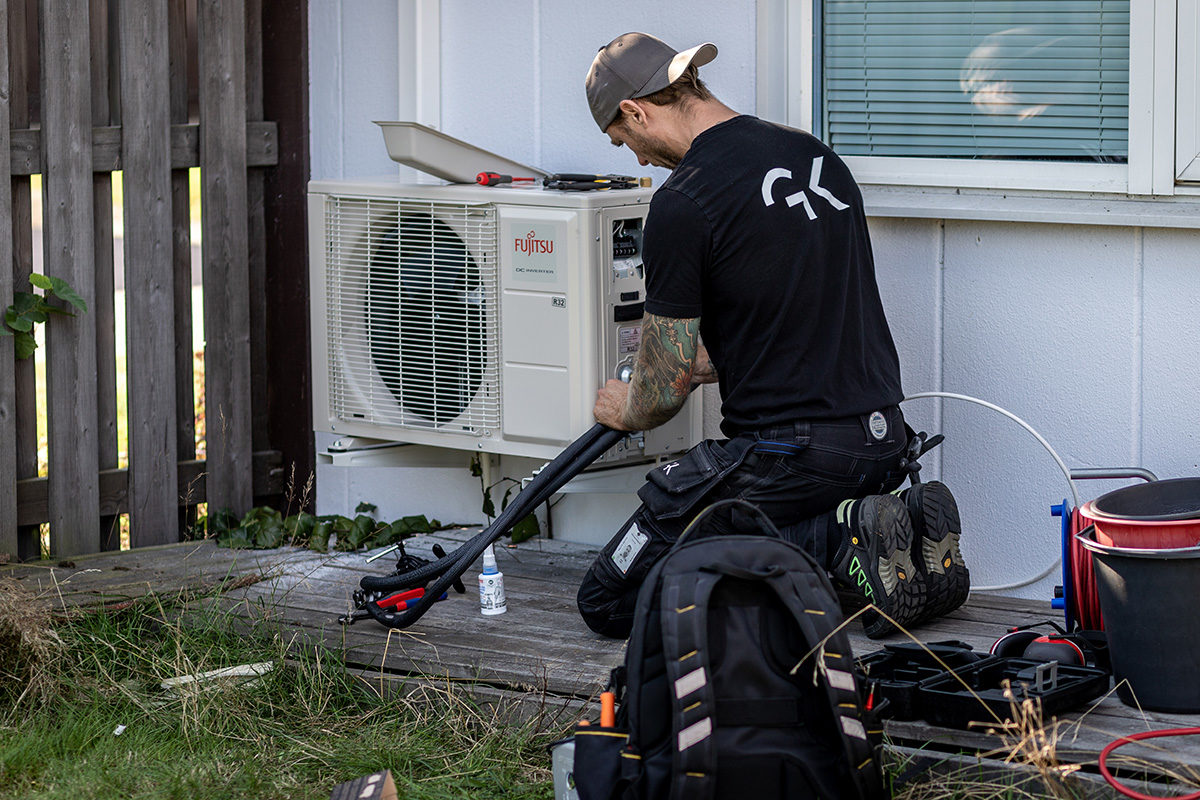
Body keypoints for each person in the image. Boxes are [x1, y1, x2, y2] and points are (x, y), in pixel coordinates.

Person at [575, 32, 969, 640]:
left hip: (789, 456)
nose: (638, 160)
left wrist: (627, 409)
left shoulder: (684, 201)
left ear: (635, 110)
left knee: (607, 600)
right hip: (880, 441)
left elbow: (658, 396)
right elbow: (786, 320)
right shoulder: (815, 158)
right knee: (767, 549)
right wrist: (703, 361)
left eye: (623, 140)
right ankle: (894, 537)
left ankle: (840, 536)